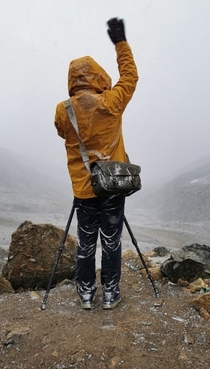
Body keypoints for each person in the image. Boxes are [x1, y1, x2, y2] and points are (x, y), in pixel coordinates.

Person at [54, 17, 138, 310]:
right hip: (112, 185)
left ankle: (86, 293)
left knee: (86, 242)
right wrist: (120, 43)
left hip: (83, 188)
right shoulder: (111, 102)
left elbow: (60, 131)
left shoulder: (63, 111)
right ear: (98, 76)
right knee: (112, 242)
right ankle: (111, 294)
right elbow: (130, 77)